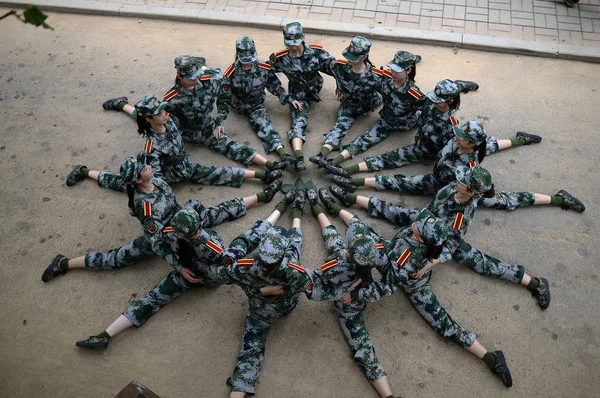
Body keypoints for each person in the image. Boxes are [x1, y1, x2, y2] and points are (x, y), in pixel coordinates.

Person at [72, 184, 282, 350]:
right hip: (209, 274)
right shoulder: (208, 242)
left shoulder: (172, 235)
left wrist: (180, 268)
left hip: (186, 271)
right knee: (243, 242)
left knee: (152, 299)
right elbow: (227, 267)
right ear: (198, 226)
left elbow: (163, 244)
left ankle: (105, 335)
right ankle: (277, 212)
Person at [329, 166, 552, 311]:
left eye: (463, 181)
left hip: (440, 238)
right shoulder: (451, 188)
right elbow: (432, 207)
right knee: (395, 212)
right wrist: (422, 223)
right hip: (427, 222)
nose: (458, 179)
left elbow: (452, 244)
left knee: (482, 263)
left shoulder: (460, 216)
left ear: (471, 192)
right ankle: (347, 197)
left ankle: (532, 282)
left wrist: (431, 261)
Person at [336, 206, 514, 388]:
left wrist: (355, 295)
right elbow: (449, 243)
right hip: (395, 255)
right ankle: (336, 209)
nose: (415, 222)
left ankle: (491, 359)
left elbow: (386, 287)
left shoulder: (405, 257)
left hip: (408, 280)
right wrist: (431, 263)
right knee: (363, 233)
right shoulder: (432, 236)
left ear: (420, 238)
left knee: (443, 324)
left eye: (418, 225)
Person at [43, 154, 282, 284]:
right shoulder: (144, 207)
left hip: (182, 218)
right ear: (138, 180)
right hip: (165, 235)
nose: (148, 166)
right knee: (118, 257)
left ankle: (263, 196)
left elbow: (124, 179)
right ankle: (64, 263)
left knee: (215, 211)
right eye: (143, 168)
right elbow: (157, 241)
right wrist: (179, 267)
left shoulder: (155, 180)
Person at [330, 120, 585, 213]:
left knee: (507, 201)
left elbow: (482, 178)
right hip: (437, 179)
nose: (457, 135)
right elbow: (490, 143)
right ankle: (351, 180)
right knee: (400, 181)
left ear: (471, 143)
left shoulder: (469, 166)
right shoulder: (456, 140)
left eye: (462, 135)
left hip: (456, 191)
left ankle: (556, 198)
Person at [102, 56, 287, 171]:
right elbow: (160, 118)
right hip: (185, 130)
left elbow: (223, 97)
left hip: (207, 127)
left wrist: (220, 119)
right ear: (180, 77)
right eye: (191, 77)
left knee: (231, 145)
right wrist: (167, 132)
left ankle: (269, 165)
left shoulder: (210, 80)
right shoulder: (172, 97)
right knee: (146, 116)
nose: (196, 80)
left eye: (197, 74)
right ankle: (123, 104)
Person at [66, 95, 282, 192]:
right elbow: (155, 179)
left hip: (182, 162)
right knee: (123, 183)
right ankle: (85, 172)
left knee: (137, 116)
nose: (164, 113)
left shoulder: (167, 120)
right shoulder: (152, 147)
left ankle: (122, 104)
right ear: (150, 119)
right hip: (173, 172)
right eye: (158, 113)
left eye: (162, 110)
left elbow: (151, 117)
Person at [303, 181, 398, 398]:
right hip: (358, 293)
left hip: (348, 305)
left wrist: (350, 294)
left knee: (331, 238)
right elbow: (390, 282)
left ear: (349, 250)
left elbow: (320, 285)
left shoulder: (337, 263)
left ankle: (319, 209)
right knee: (363, 349)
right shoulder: (375, 247)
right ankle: (388, 396)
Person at [325, 79, 534, 178]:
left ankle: (520, 140)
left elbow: (457, 147)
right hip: (421, 144)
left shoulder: (452, 125)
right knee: (390, 157)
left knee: (489, 145)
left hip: (434, 152)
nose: (433, 102)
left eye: (439, 100)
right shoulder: (429, 101)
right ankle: (344, 168)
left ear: (450, 101)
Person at [318, 50, 426, 171]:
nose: (393, 73)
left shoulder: (414, 94)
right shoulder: (385, 80)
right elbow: (362, 78)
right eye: (392, 69)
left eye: (398, 71)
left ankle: (342, 168)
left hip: (406, 122)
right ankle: (333, 162)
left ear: (408, 71)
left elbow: (428, 109)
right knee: (365, 139)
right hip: (386, 119)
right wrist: (340, 85)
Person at [218, 36, 300, 164]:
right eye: (244, 62)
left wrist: (289, 99)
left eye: (249, 62)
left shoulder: (263, 68)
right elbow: (223, 98)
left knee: (265, 125)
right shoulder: (230, 73)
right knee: (214, 80)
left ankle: (283, 154)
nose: (247, 66)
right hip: (237, 104)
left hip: (256, 105)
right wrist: (220, 121)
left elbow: (275, 86)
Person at [268, 21, 336, 171]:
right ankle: (299, 157)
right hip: (297, 95)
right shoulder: (279, 58)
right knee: (299, 121)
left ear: (303, 37)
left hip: (315, 88)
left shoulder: (316, 53)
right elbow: (266, 74)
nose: (293, 47)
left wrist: (342, 87)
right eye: (290, 43)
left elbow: (337, 69)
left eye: (296, 43)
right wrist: (284, 96)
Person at [307, 36, 383, 166]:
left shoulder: (375, 76)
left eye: (353, 58)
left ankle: (337, 160)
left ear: (364, 57)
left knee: (370, 134)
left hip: (370, 103)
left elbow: (390, 90)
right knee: (339, 127)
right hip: (348, 106)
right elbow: (319, 61)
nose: (348, 60)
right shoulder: (339, 67)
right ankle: (322, 155)